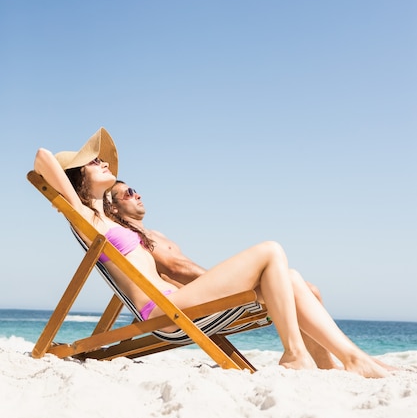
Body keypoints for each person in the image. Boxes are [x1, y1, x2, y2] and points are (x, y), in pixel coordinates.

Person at [34, 127, 389, 378]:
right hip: (163, 313)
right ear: (78, 177)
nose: (104, 163)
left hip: (178, 303)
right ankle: (295, 354)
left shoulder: (116, 224)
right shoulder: (86, 218)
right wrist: (67, 187)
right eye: (93, 162)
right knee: (270, 250)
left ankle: (349, 358)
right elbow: (42, 158)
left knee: (292, 278)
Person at [108, 179, 338, 370]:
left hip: (201, 297)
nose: (137, 195)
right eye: (128, 193)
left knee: (310, 290)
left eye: (135, 190)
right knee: (281, 267)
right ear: (114, 208)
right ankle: (299, 354)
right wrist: (231, 286)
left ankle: (325, 363)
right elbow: (175, 269)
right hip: (192, 305)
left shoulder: (154, 234)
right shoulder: (132, 242)